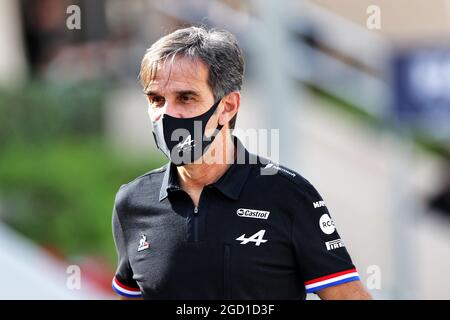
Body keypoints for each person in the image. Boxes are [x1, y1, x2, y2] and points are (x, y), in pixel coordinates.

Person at [111, 26, 371, 300]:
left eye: (185, 97)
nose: (167, 114)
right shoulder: (132, 202)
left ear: (228, 107)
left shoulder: (289, 196)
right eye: (156, 99)